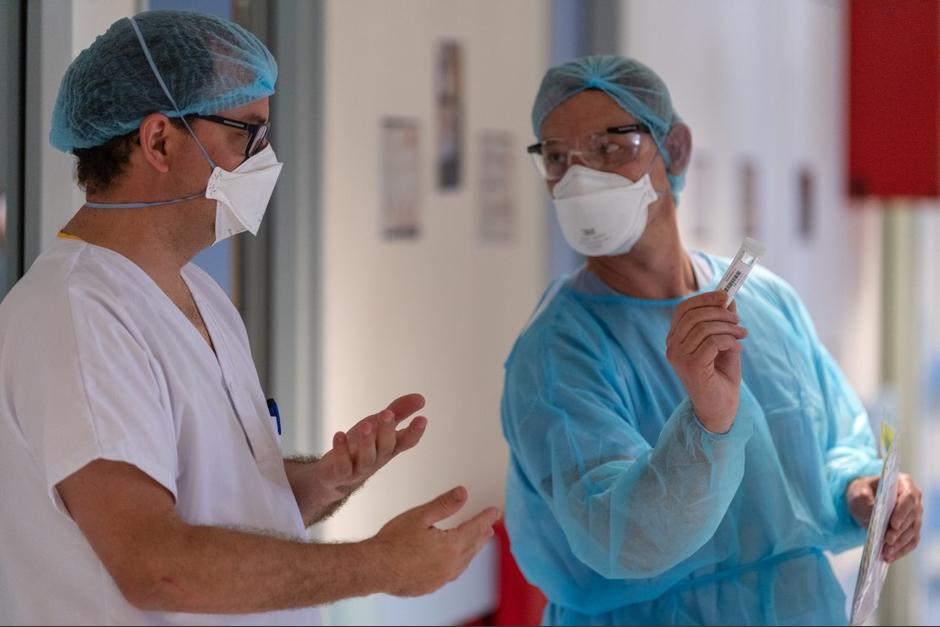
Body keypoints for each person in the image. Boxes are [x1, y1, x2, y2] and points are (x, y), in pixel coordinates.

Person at [0, 11, 498, 625]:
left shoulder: (198, 295)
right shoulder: (78, 316)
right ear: (159, 140)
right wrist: (381, 565)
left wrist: (321, 483)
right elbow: (159, 566)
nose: (266, 159)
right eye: (248, 134)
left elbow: (211, 499)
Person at [500, 55, 923, 626]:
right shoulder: (557, 352)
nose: (579, 179)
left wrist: (862, 493)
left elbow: (833, 445)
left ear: (673, 150)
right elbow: (622, 539)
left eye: (608, 148)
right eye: (556, 158)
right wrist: (708, 422)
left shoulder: (763, 300)